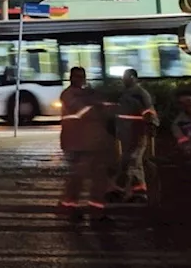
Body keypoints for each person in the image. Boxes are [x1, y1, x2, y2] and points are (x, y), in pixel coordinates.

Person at [59, 66, 113, 222]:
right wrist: (98, 106)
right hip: (75, 144)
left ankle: (96, 211)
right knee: (77, 178)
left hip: (91, 143)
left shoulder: (86, 94)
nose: (79, 79)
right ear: (70, 77)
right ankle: (70, 208)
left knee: (98, 178)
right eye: (76, 76)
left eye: (82, 76)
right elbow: (82, 111)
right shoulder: (68, 95)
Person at [115, 69, 159, 201]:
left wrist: (150, 129)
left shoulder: (140, 94)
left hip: (137, 133)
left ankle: (126, 191)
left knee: (131, 161)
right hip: (127, 134)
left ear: (133, 78)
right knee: (133, 162)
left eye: (126, 77)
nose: (124, 80)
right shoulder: (127, 94)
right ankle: (137, 191)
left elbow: (149, 113)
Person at [171, 88, 191, 155]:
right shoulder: (178, 123)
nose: (187, 105)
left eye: (189, 101)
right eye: (182, 103)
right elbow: (182, 140)